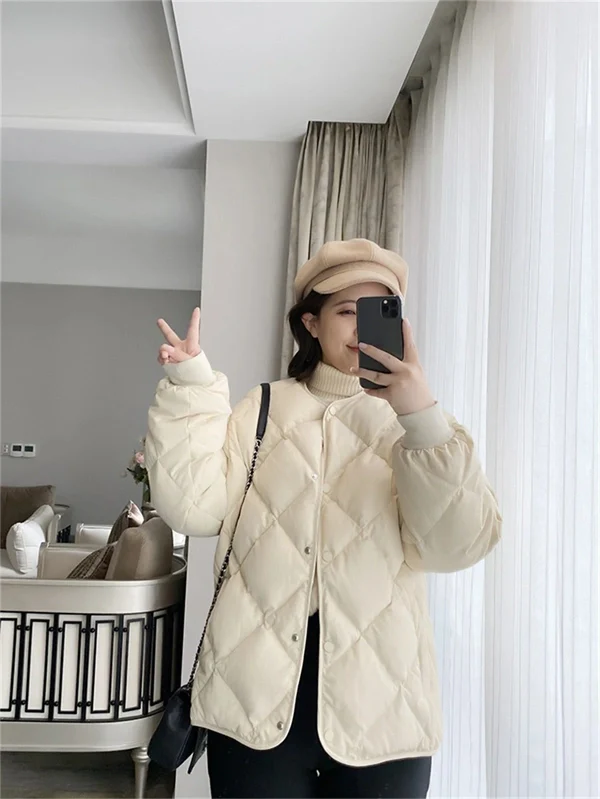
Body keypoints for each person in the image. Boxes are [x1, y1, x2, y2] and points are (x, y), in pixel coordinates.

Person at [146, 239, 502, 799]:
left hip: (383, 706)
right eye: (347, 311)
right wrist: (191, 388)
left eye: (380, 312)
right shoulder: (261, 409)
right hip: (252, 697)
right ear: (311, 323)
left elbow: (455, 546)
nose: (363, 328)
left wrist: (420, 414)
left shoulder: (418, 424)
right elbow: (194, 507)